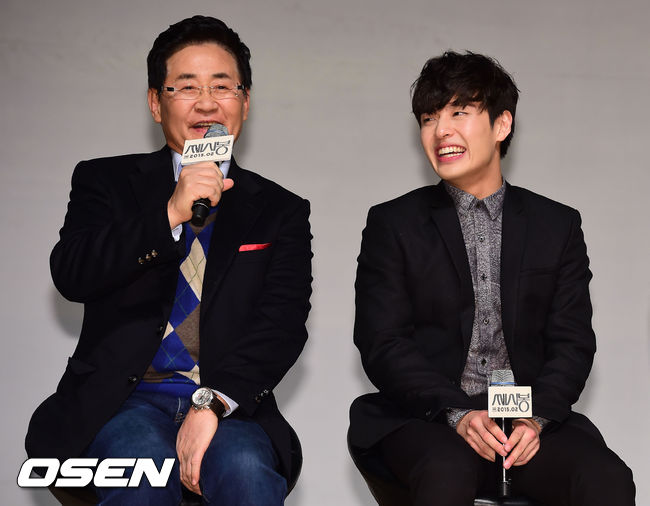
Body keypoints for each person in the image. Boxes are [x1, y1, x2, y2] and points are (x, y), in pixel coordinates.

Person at [25, 15, 312, 505]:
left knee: (247, 471)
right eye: (186, 87)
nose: (207, 102)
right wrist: (169, 214)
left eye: (222, 86)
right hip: (121, 403)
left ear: (245, 101)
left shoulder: (280, 209)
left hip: (226, 405)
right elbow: (72, 273)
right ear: (156, 103)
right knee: (144, 472)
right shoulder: (106, 182)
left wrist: (212, 404)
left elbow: (282, 325)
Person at [348, 51, 635, 505]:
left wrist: (535, 420)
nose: (441, 131)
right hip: (429, 416)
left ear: (502, 124)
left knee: (607, 479)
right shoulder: (393, 223)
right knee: (446, 473)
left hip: (526, 421)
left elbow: (573, 342)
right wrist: (458, 413)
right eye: (428, 118)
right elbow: (382, 342)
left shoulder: (556, 225)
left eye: (459, 112)